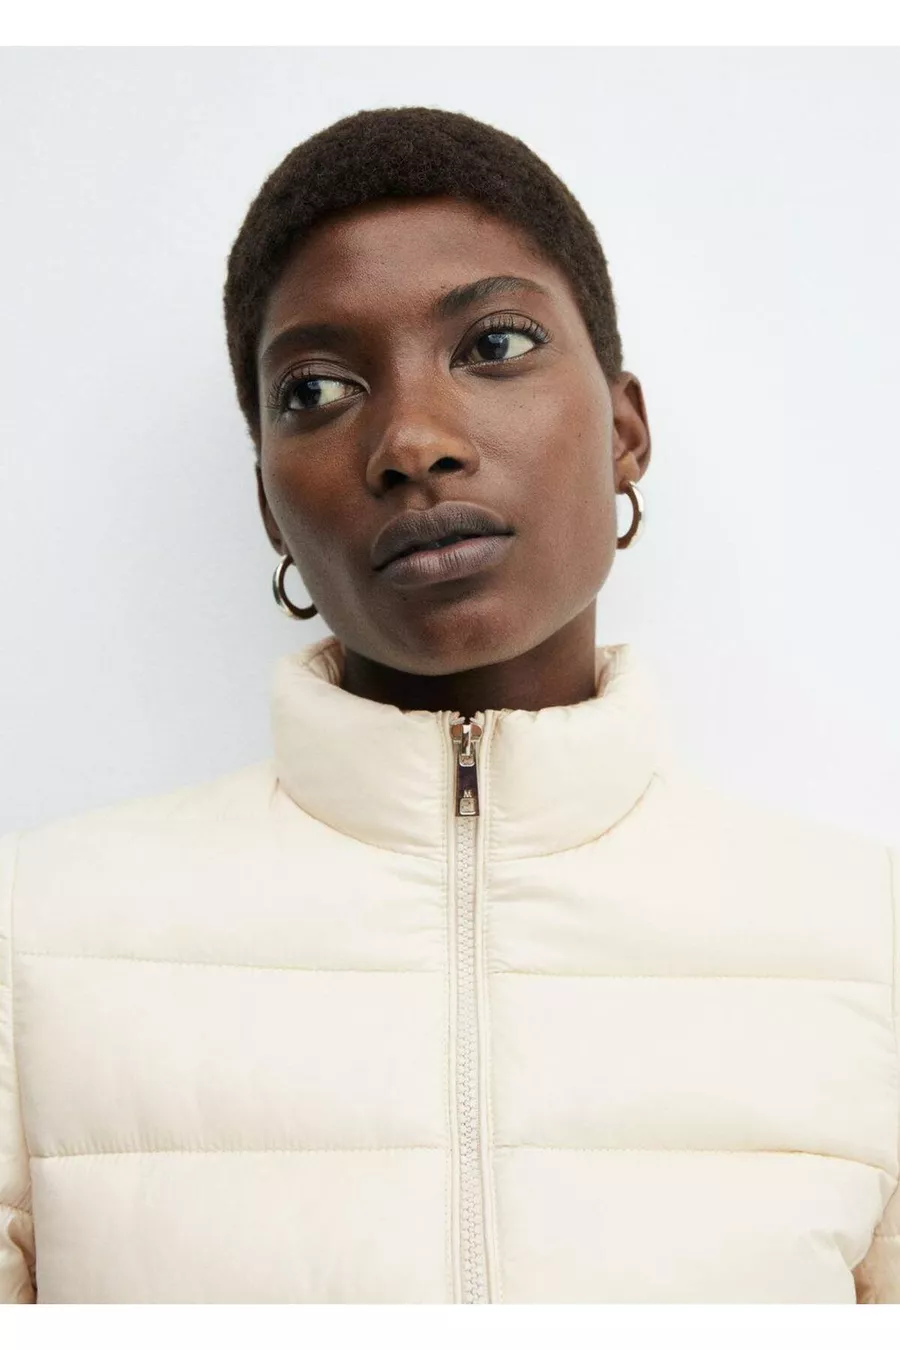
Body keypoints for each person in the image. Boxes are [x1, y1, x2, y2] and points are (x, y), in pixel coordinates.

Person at [0, 105, 897, 1305]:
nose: (411, 443)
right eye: (317, 389)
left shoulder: (870, 944)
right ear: (270, 507)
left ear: (626, 433)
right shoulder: (34, 943)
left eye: (495, 343)